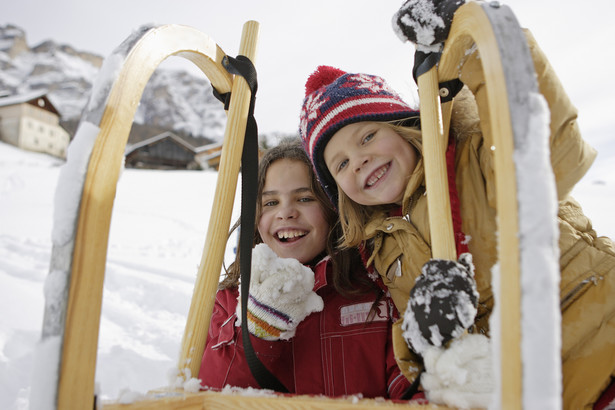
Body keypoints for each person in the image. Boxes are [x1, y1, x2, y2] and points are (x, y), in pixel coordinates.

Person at [298, 13, 615, 410]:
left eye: (367, 136)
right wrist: (418, 338)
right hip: (537, 396)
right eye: (340, 164)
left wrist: (473, 46)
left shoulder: (475, 160)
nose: (358, 160)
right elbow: (420, 354)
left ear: (405, 126)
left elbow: (554, 150)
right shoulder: (379, 248)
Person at [198, 138, 414, 400]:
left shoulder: (375, 287)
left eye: (304, 198)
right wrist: (257, 328)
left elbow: (410, 385)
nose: (286, 212)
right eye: (270, 203)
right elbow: (212, 396)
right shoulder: (231, 301)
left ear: (334, 208)